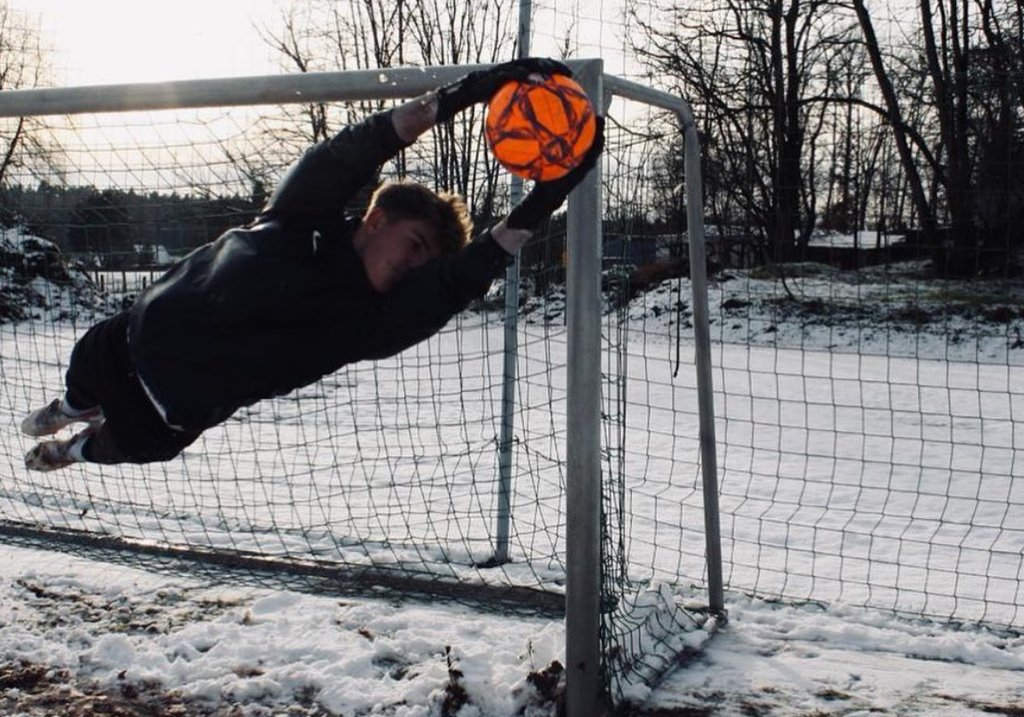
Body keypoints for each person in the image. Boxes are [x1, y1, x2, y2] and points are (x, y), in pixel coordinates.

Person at [21, 58, 604, 471]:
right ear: (377, 219)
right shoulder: (301, 217)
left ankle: (69, 450)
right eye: (417, 244)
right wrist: (465, 93)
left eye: (427, 260)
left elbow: (459, 281)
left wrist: (545, 198)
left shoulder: (369, 324)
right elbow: (356, 148)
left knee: (115, 445)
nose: (416, 265)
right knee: (81, 385)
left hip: (165, 414)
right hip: (123, 342)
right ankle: (69, 409)